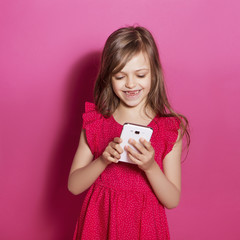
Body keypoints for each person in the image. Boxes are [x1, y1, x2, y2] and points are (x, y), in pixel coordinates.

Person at [68, 25, 190, 240]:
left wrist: (150, 167)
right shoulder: (96, 122)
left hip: (146, 228)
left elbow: (172, 200)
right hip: (99, 224)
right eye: (120, 76)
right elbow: (74, 186)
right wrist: (103, 160)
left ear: (154, 73)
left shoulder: (169, 129)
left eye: (140, 74)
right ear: (108, 77)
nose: (131, 84)